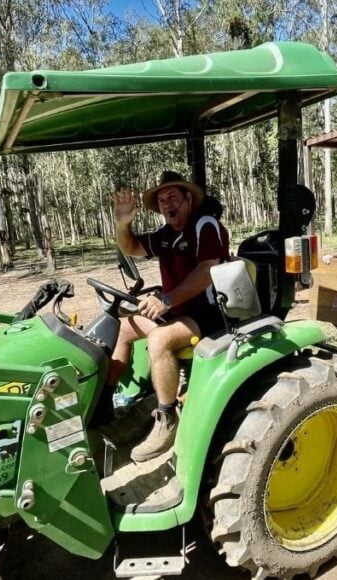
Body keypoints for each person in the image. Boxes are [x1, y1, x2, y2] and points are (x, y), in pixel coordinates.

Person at [111, 170, 230, 462]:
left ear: (188, 199)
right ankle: (106, 406)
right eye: (162, 201)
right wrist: (123, 224)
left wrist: (166, 299)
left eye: (172, 198)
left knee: (159, 339)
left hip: (210, 314)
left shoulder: (206, 226)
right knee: (122, 327)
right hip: (177, 310)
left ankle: (166, 419)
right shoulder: (167, 235)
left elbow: (206, 272)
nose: (166, 205)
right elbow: (132, 248)